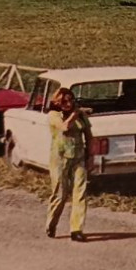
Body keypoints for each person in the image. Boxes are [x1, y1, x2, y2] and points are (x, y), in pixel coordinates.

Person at [44, 88, 92, 241]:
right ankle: (51, 223)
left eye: (71, 100)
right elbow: (65, 127)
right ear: (57, 102)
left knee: (80, 192)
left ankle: (76, 229)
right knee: (60, 194)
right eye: (64, 101)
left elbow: (89, 136)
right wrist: (75, 114)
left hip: (78, 157)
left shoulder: (81, 116)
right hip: (60, 158)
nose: (68, 104)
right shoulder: (53, 116)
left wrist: (91, 156)